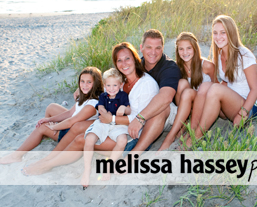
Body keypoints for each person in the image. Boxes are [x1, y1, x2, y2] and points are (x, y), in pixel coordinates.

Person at [21, 42, 159, 175]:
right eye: (119, 60)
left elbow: (138, 120)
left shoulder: (146, 84)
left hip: (131, 136)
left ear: (135, 59)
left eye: (127, 58)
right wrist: (80, 89)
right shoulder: (121, 80)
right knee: (80, 127)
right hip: (112, 125)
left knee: (82, 139)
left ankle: (46, 165)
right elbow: (103, 89)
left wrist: (111, 118)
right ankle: (48, 159)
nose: (124, 64)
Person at [0, 67, 102, 164]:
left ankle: (17, 155)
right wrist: (49, 119)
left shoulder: (92, 105)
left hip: (70, 134)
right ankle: (45, 135)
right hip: (70, 125)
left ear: (96, 84)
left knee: (42, 127)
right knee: (51, 107)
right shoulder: (85, 97)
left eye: (89, 82)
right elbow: (70, 113)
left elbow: (71, 121)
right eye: (82, 81)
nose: (84, 85)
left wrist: (52, 126)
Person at [187, 15, 257, 145]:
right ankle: (192, 130)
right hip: (230, 104)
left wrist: (243, 113)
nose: (218, 36)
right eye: (215, 33)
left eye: (223, 32)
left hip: (249, 106)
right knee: (205, 86)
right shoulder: (220, 54)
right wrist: (210, 92)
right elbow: (226, 81)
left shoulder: (244, 55)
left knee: (215, 88)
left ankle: (196, 138)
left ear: (231, 33)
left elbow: (255, 89)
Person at [158, 32, 215, 151]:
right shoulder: (176, 67)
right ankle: (183, 124)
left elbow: (216, 87)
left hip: (205, 105)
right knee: (181, 83)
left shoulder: (207, 66)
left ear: (195, 48)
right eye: (181, 49)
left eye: (189, 48)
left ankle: (172, 136)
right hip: (187, 107)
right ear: (177, 51)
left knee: (188, 92)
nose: (185, 52)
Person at [81, 68, 131, 187]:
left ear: (121, 85)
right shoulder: (103, 96)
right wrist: (104, 113)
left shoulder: (123, 96)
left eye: (115, 85)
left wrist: (124, 109)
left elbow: (129, 110)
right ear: (104, 85)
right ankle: (87, 170)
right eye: (108, 85)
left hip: (118, 124)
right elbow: (100, 107)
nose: (111, 88)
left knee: (123, 140)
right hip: (103, 122)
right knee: (89, 139)